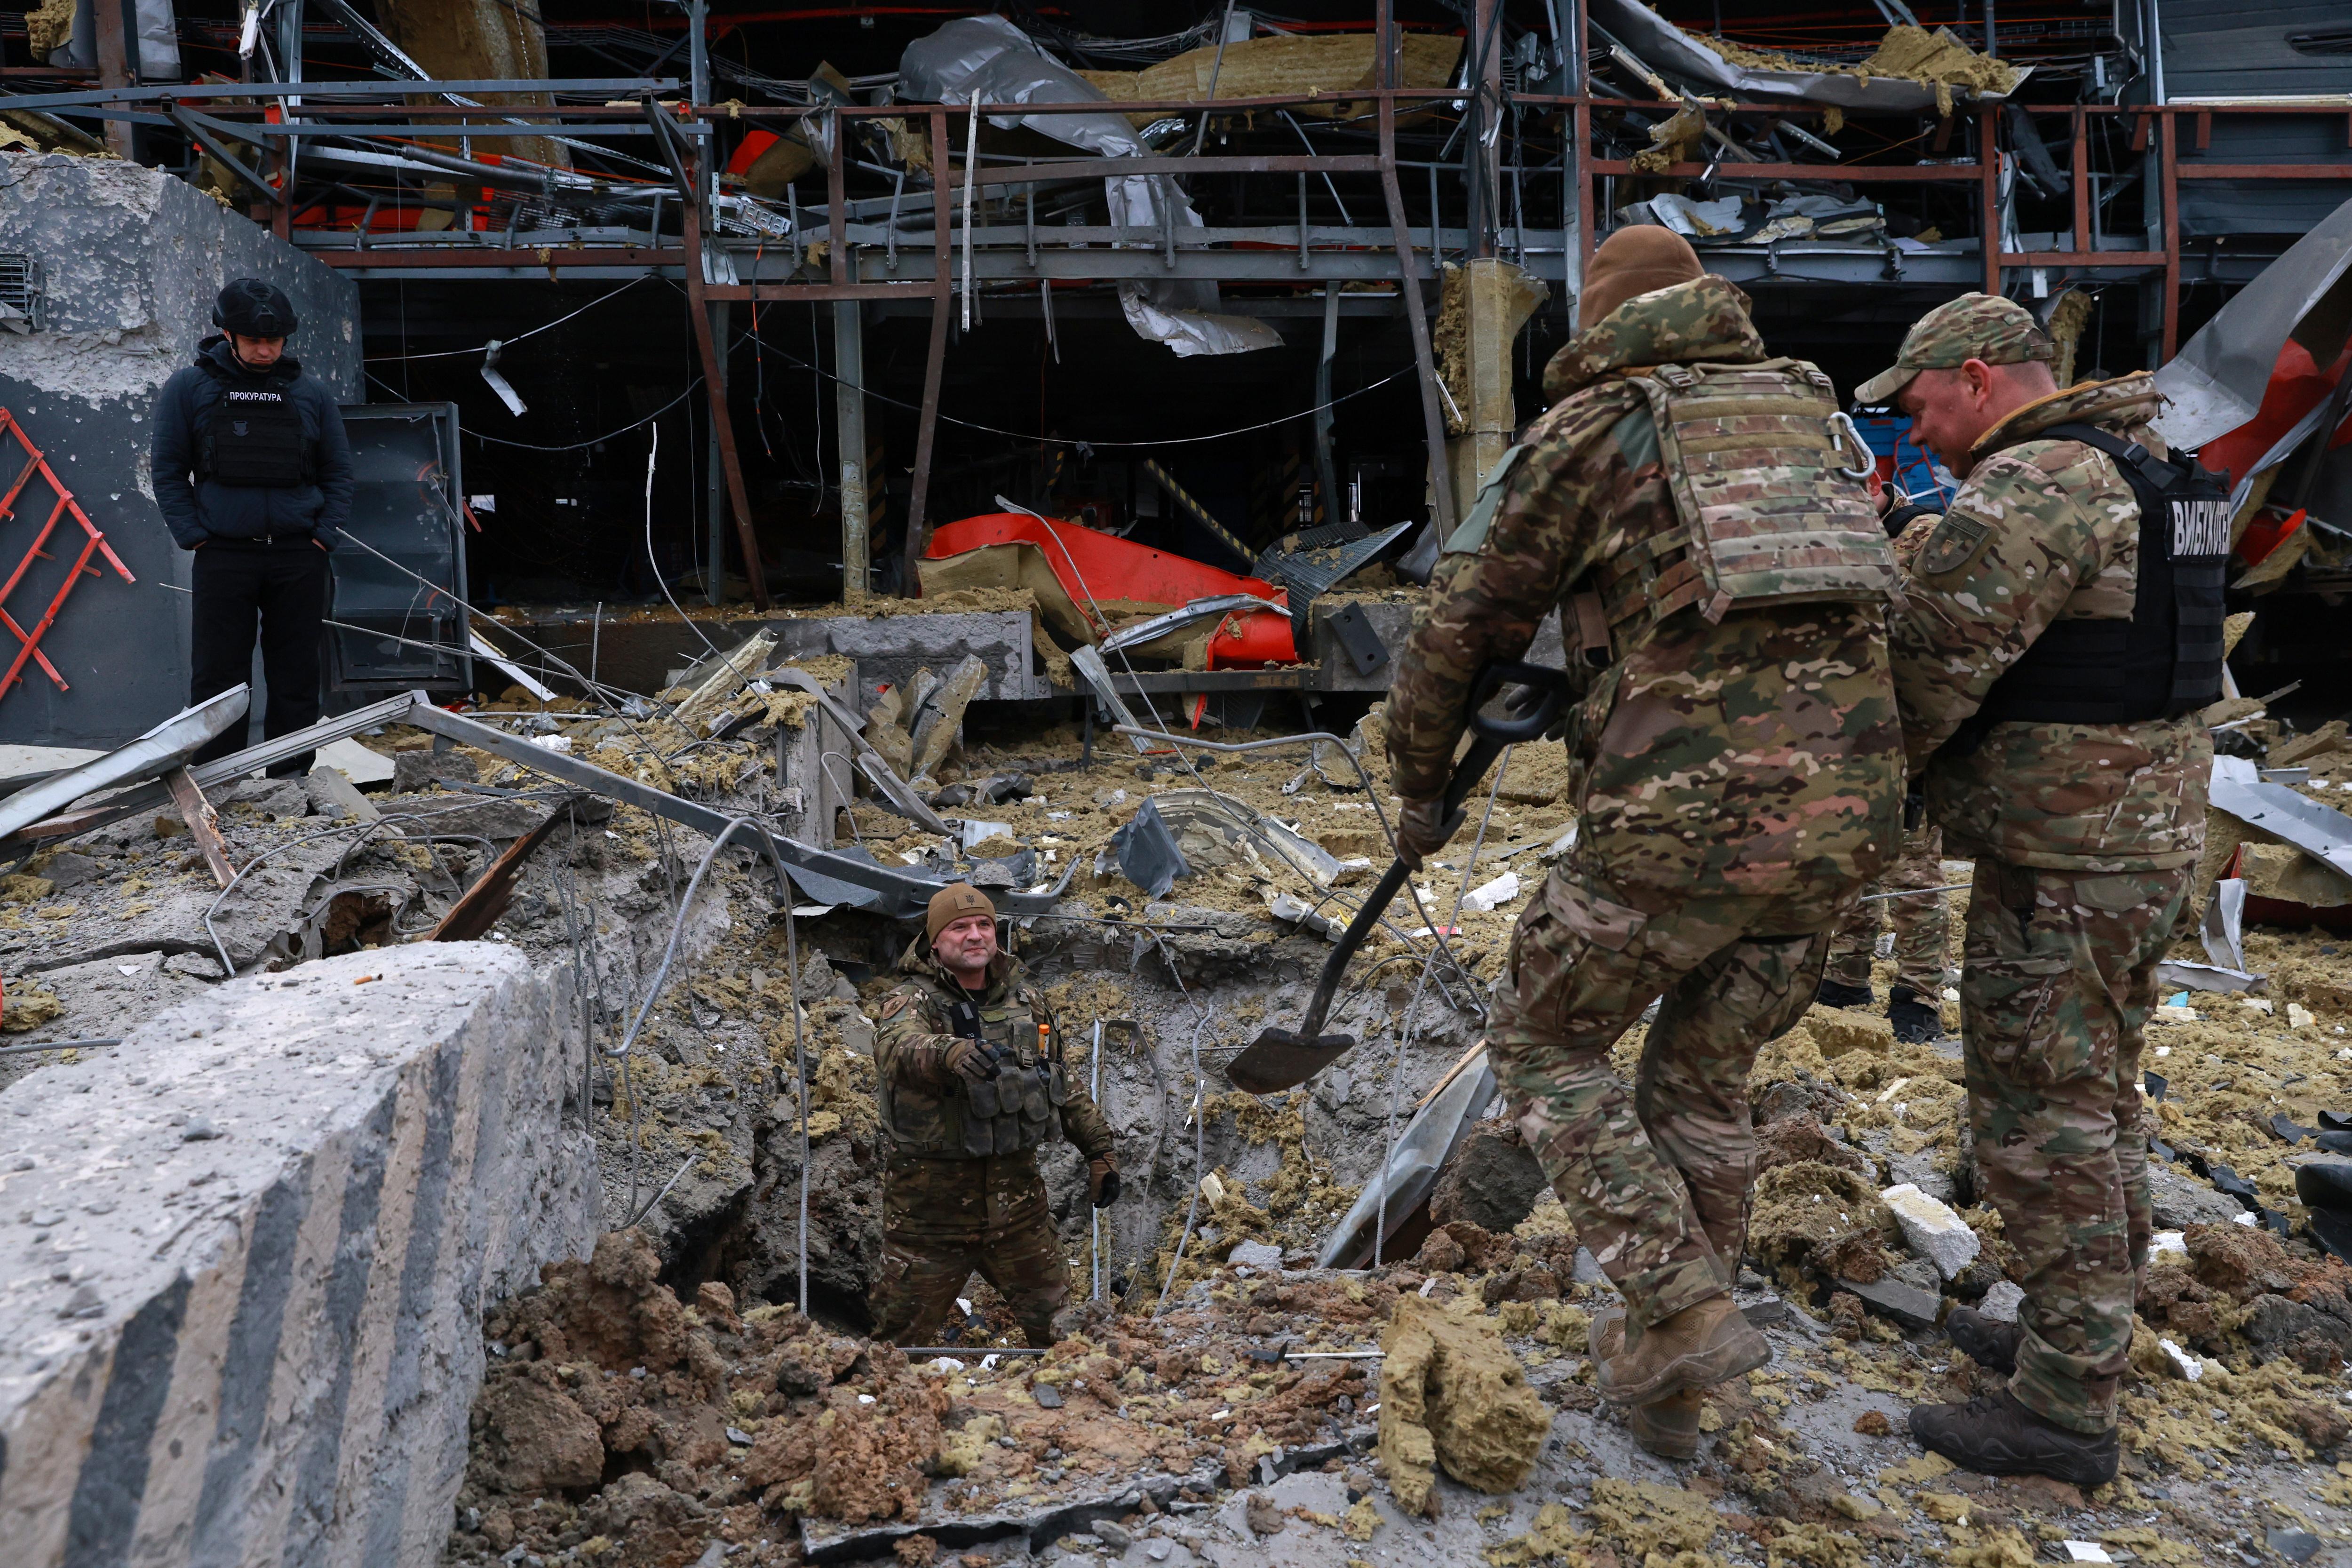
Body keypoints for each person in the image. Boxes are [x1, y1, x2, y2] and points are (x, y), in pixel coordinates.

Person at [1385, 226, 1905, 1460]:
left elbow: (1462, 618)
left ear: (1601, 317)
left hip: (1681, 821)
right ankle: (1678, 1381)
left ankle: (1680, 1302)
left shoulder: (1596, 427)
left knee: (1545, 1037)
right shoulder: (1812, 416)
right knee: (1701, 1078)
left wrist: (1419, 785)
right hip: (1842, 826)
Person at [1864, 294, 2221, 1486]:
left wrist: (1845, 799)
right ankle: (2083, 1336)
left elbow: (1928, 671)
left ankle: (2066, 1412)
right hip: (2156, 847)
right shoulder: (2164, 468)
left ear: (1975, 377)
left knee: (2036, 1126)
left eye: (1917, 407)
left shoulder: (2038, 485)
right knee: (2101, 1100)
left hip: (2064, 864)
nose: (1915, 436)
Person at [870, 883, 1119, 1346]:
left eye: (983, 925)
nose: (974, 935)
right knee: (897, 1352)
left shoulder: (1028, 1004)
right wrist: (948, 1052)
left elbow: (1058, 1084)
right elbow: (896, 1046)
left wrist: (1099, 1151)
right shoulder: (911, 1001)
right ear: (935, 942)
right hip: (930, 1221)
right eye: (959, 927)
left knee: (1063, 1340)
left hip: (1018, 1214)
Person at [151, 278, 354, 775]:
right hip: (224, 554)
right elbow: (168, 468)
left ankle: (288, 779)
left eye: (275, 341)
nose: (265, 350)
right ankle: (221, 779)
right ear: (228, 336)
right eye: (254, 341)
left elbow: (339, 471)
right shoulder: (189, 388)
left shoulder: (311, 393)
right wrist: (194, 534)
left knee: (297, 674)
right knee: (218, 677)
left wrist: (323, 536)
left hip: (298, 555)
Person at [1819, 489, 1962, 1044]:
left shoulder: (1921, 531)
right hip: (1857, 722)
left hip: (1907, 722)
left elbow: (1934, 635)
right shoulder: (1855, 538)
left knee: (1911, 870)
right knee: (1853, 856)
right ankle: (1845, 974)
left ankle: (1917, 993)